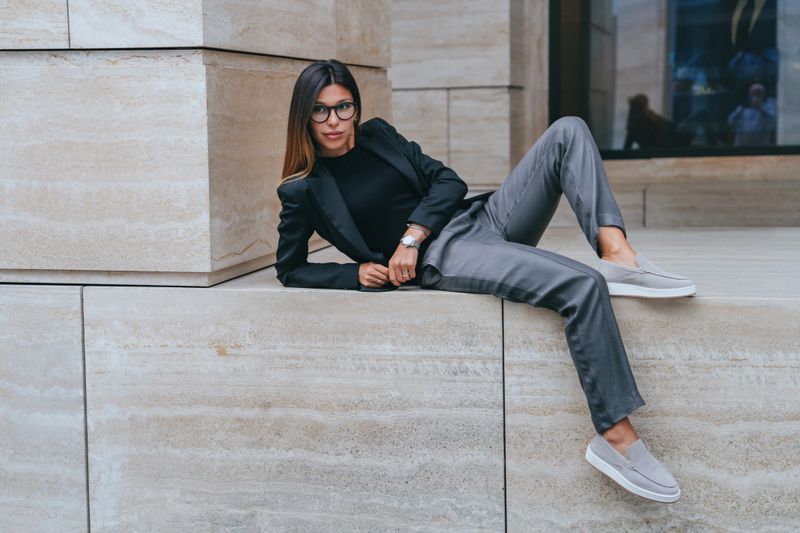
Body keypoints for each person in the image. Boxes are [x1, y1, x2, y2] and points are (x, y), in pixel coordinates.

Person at [276, 59, 696, 503]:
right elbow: (290, 268)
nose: (334, 121)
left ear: (356, 108)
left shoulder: (378, 135)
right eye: (320, 110)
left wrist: (411, 235)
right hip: (447, 255)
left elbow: (448, 182)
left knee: (568, 130)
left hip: (482, 218)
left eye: (343, 107)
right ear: (304, 115)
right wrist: (354, 273)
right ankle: (616, 437)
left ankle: (618, 254)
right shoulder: (302, 189)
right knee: (582, 284)